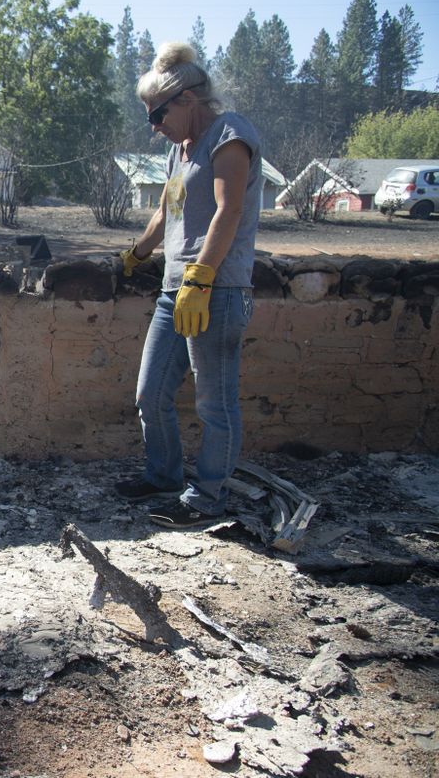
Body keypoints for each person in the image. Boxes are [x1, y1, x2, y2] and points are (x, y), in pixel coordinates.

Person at [115, 42, 263, 529]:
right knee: (150, 394)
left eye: (156, 113)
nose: (152, 125)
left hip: (216, 289)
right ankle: (163, 477)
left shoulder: (230, 133)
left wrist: (201, 278)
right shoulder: (180, 152)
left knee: (214, 403)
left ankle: (208, 497)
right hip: (173, 289)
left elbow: (229, 210)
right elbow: (165, 211)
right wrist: (137, 255)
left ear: (187, 100)